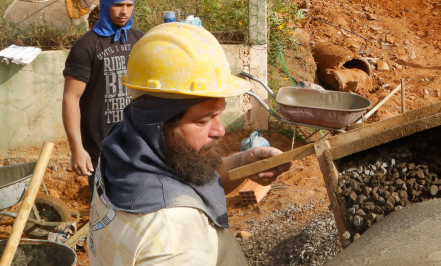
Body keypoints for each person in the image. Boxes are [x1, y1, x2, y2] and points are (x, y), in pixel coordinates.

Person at [88, 22, 290, 265]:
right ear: (159, 124)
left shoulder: (126, 146)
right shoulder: (174, 239)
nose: (220, 130)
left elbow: (186, 185)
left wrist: (244, 161)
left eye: (218, 114)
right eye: (203, 120)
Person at [63, 0, 143, 186]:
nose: (124, 11)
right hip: (101, 151)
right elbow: (71, 98)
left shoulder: (139, 40)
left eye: (129, 5)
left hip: (137, 147)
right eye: (118, 5)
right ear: (105, 5)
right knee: (104, 214)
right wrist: (77, 149)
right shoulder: (86, 46)